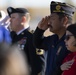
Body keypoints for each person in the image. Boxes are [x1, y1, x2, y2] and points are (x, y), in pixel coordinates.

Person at [33, 1, 76, 75]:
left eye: (52, 19)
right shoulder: (53, 39)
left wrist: (59, 69)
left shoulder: (72, 42)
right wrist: (40, 30)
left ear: (64, 20)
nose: (49, 22)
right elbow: (38, 44)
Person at [7, 7, 45, 75]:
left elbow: (38, 67)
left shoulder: (32, 37)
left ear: (23, 19)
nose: (10, 20)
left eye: (13, 17)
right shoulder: (11, 36)